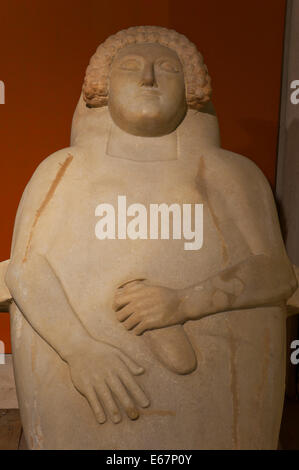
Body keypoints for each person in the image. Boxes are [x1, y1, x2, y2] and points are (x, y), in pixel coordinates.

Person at [4, 26, 297, 449]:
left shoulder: (233, 175)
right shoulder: (62, 170)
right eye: (130, 68)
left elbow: (277, 274)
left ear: (192, 89)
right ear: (103, 88)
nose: (148, 79)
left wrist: (184, 302)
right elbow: (26, 270)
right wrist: (80, 350)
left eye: (167, 69)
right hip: (95, 376)